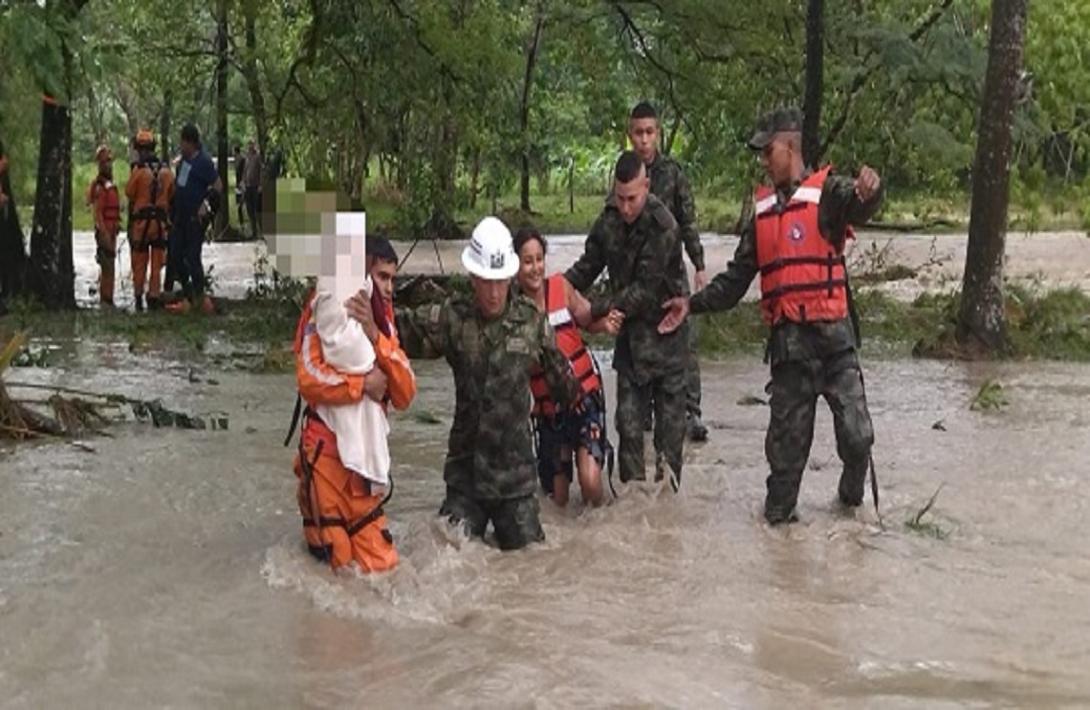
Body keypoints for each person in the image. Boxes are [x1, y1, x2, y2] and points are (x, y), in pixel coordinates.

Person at [659, 108, 884, 525]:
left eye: (769, 150)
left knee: (857, 437)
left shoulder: (830, 194)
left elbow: (859, 205)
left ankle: (850, 509)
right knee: (782, 480)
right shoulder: (761, 216)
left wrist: (871, 191)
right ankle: (781, 547)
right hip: (790, 358)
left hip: (835, 349)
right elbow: (734, 282)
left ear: (792, 146)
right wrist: (691, 303)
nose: (764, 159)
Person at [397, 217, 582, 550]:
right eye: (485, 282)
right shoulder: (453, 318)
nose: (494, 292)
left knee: (534, 565)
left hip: (516, 481)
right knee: (447, 557)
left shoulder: (533, 322)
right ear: (472, 278)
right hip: (465, 478)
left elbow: (567, 390)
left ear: (510, 276)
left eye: (500, 281)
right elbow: (394, 334)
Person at [289, 233, 417, 572]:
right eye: (382, 277)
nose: (389, 288)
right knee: (335, 562)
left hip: (363, 468)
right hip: (326, 456)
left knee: (383, 567)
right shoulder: (324, 310)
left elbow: (405, 392)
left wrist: (376, 335)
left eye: (393, 279)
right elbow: (309, 380)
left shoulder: (383, 323)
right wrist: (363, 385)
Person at [565, 151, 689, 492]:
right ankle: (632, 515)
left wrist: (592, 309)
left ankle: (666, 519)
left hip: (667, 346)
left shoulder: (664, 227)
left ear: (647, 186)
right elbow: (588, 265)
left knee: (669, 445)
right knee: (629, 433)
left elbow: (644, 292)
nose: (625, 207)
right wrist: (560, 289)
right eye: (619, 198)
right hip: (631, 346)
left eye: (632, 198)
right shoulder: (609, 220)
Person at [513, 227, 620, 508]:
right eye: (527, 261)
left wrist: (604, 324)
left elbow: (586, 317)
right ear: (515, 267)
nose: (535, 268)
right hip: (550, 415)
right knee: (555, 504)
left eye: (539, 259)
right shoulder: (512, 313)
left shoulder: (561, 287)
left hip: (584, 401)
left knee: (590, 483)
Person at [627, 101, 709, 442]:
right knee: (637, 341)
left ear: (657, 134)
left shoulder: (673, 173)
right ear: (630, 135)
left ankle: (691, 412)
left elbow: (687, 222)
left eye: (650, 132)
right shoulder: (626, 174)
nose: (644, 140)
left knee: (683, 345)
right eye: (638, 133)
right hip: (638, 276)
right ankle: (644, 411)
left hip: (672, 276)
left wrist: (699, 264)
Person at [165, 124, 221, 314]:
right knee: (174, 255)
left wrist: (206, 203)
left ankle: (200, 298)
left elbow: (218, 186)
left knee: (192, 257)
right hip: (179, 217)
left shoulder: (204, 162)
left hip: (195, 219)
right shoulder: (184, 162)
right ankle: (188, 297)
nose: (180, 146)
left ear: (190, 142)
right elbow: (179, 187)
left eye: (182, 142)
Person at [126, 129, 175, 311]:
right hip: (160, 226)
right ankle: (154, 298)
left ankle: (139, 299)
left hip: (141, 225)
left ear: (139, 149)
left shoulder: (138, 172)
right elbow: (172, 195)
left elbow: (129, 193)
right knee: (156, 264)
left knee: (139, 263)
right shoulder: (167, 172)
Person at [86, 145, 122, 308]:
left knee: (110, 266)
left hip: (112, 230)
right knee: (107, 267)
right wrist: (104, 233)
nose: (109, 164)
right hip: (105, 232)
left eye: (110, 161)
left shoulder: (109, 184)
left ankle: (108, 299)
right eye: (106, 161)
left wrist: (117, 223)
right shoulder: (100, 187)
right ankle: (105, 300)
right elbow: (98, 213)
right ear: (101, 163)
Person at [242, 141, 263, 239]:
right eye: (248, 145)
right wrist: (243, 182)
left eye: (251, 145)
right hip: (247, 187)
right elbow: (245, 171)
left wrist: (260, 185)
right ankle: (254, 232)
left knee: (256, 210)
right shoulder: (247, 158)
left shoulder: (257, 157)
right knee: (249, 209)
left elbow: (261, 171)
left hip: (255, 187)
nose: (250, 147)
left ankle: (261, 232)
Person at [233, 144, 246, 231]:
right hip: (239, 185)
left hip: (242, 185)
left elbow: (242, 172)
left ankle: (243, 225)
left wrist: (241, 183)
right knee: (239, 206)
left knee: (241, 206)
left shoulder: (241, 160)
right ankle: (242, 225)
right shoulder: (238, 159)